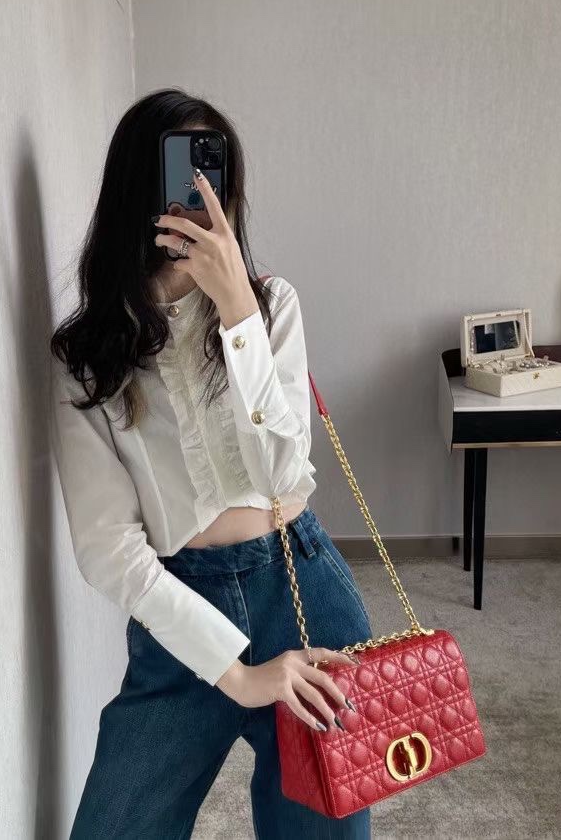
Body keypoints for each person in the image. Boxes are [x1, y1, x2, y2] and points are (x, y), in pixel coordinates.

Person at [49, 88, 373, 839]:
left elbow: (284, 474)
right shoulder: (87, 355)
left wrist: (239, 319)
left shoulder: (272, 306)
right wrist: (237, 673)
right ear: (137, 191)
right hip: (179, 605)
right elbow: (106, 547)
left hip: (300, 588)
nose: (198, 199)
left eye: (213, 178)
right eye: (179, 176)